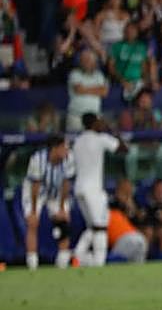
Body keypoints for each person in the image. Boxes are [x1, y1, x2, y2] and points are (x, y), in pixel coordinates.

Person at [71, 113, 126, 266]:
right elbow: (123, 148)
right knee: (100, 227)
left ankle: (77, 256)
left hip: (79, 188)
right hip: (94, 190)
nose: (101, 124)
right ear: (94, 123)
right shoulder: (100, 138)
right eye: (99, 121)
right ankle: (99, 262)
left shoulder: (77, 141)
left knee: (92, 227)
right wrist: (112, 131)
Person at [22, 133, 75, 270]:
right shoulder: (37, 159)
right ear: (55, 148)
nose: (66, 149)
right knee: (33, 223)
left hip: (56, 192)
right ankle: (32, 263)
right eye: (63, 147)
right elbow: (35, 186)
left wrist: (62, 208)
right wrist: (34, 211)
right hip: (35, 193)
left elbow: (66, 184)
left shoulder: (69, 158)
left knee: (64, 223)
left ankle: (62, 263)